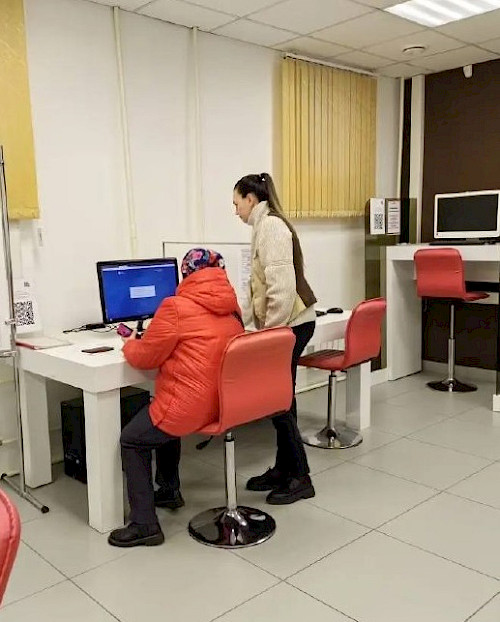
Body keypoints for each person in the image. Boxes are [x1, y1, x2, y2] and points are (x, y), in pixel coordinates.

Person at [108, 248, 243, 548]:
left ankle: (144, 524)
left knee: (133, 438)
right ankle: (168, 490)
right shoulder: (233, 306)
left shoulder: (175, 307)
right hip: (224, 403)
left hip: (190, 407)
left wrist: (129, 342)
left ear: (186, 273)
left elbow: (145, 358)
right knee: (162, 415)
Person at [233, 172, 316, 505]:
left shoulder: (270, 227)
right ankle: (285, 469)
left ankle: (301, 477)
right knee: (282, 400)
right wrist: (240, 323)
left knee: (278, 402)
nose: (235, 211)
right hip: (288, 326)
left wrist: (268, 336)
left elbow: (281, 290)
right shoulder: (262, 226)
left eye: (237, 203)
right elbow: (257, 289)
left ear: (251, 199)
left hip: (292, 325)